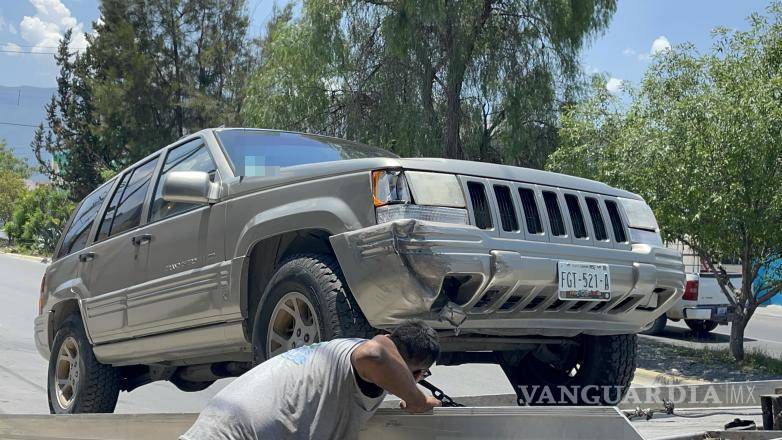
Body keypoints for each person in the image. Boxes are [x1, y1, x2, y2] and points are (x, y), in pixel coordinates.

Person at [180, 319, 442, 440]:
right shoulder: (366, 355)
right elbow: (376, 353)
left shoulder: (337, 354)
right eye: (420, 375)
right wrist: (417, 400)